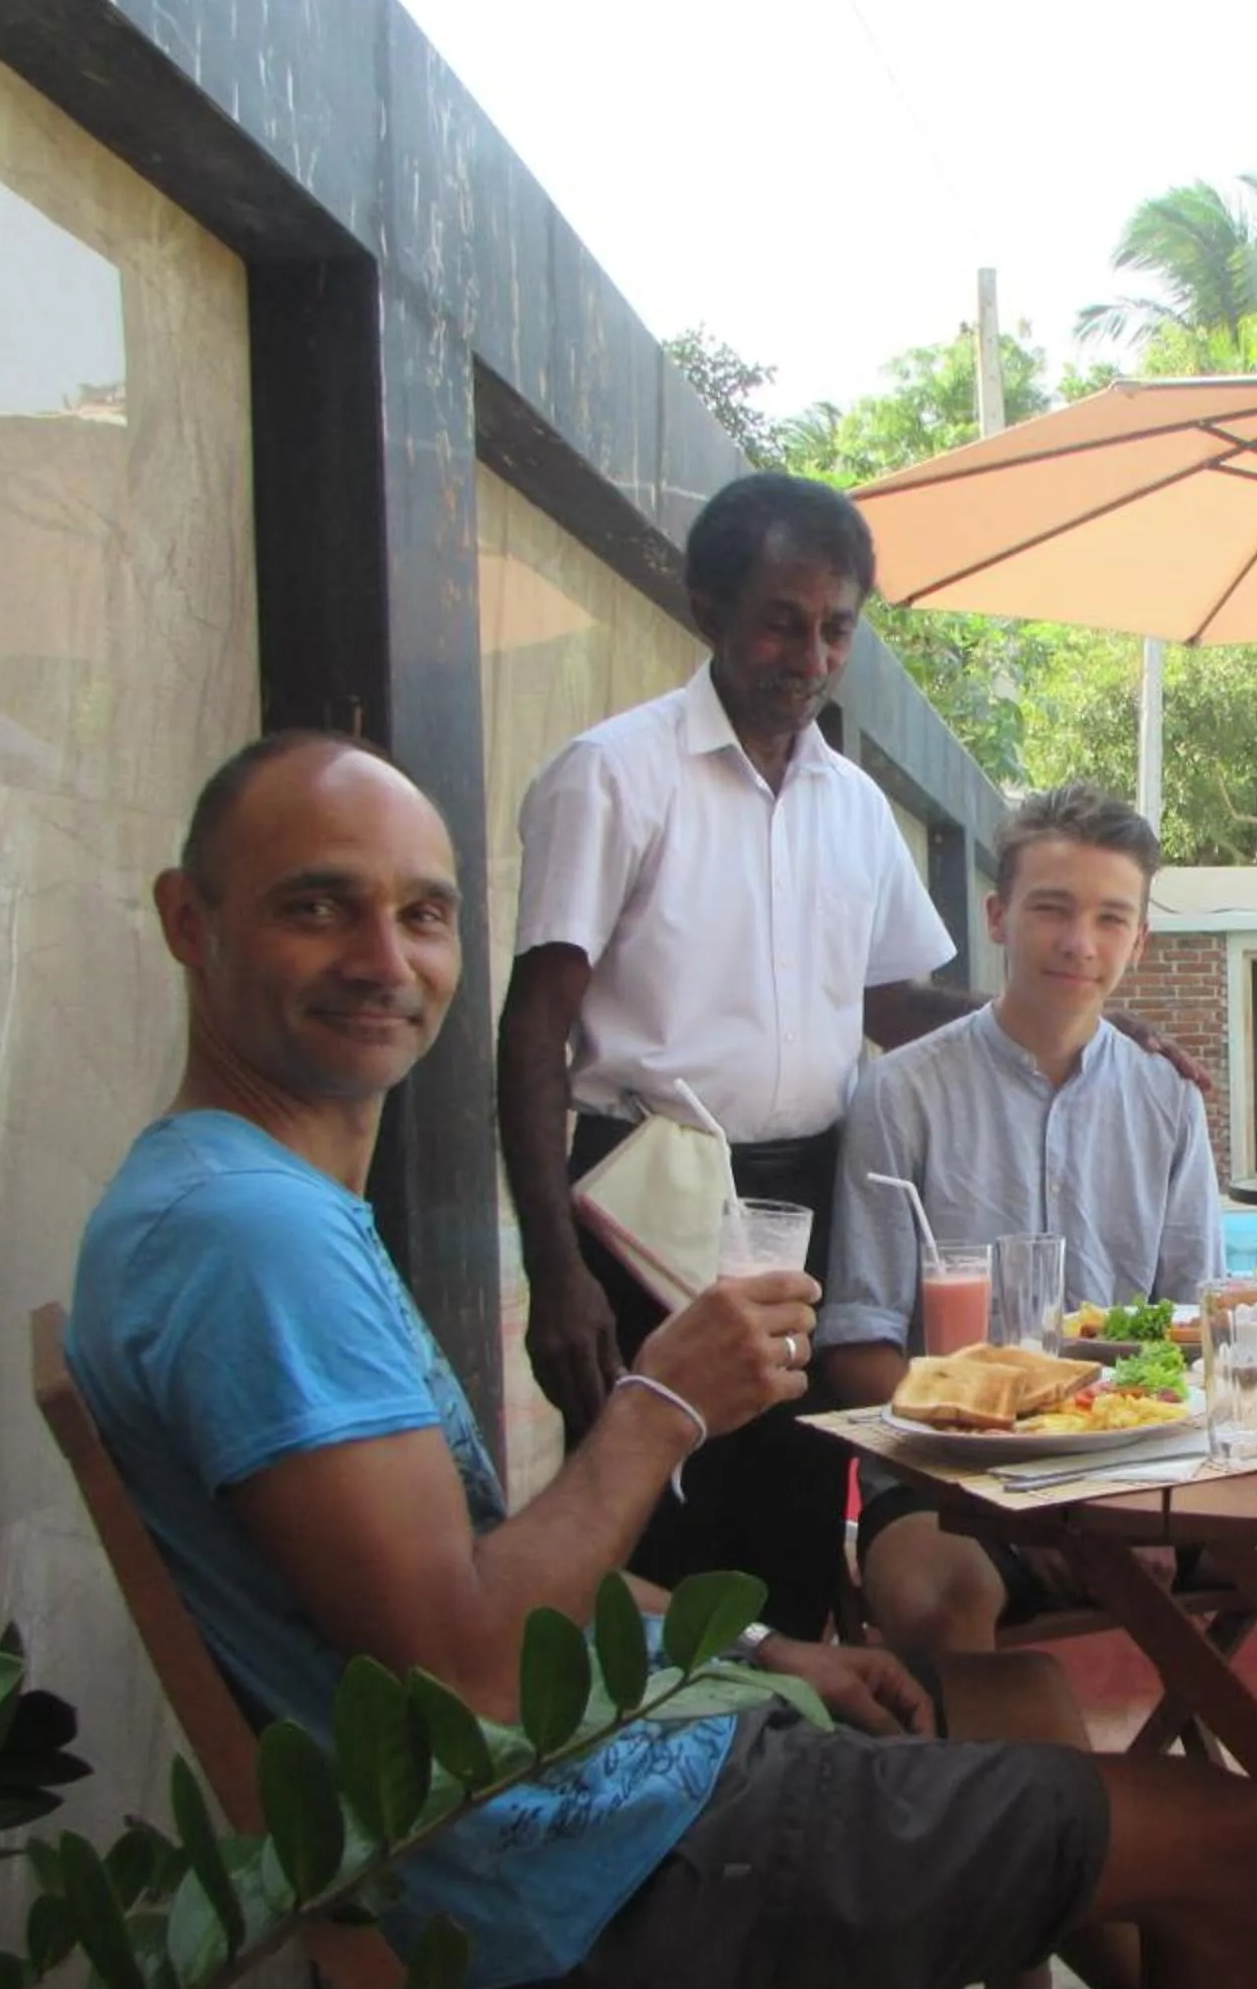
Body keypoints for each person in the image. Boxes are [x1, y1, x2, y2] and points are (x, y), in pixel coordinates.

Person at [74, 731, 1257, 1989]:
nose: (384, 955)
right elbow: (466, 1657)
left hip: (601, 1784)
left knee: (1043, 1735)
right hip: (578, 1869)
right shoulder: (253, 1246)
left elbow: (476, 1579)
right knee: (1216, 1833)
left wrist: (764, 1647)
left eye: (423, 911)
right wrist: (662, 1405)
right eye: (316, 906)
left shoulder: (233, 1206)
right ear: (188, 922)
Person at [819, 780, 1257, 1989]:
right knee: (932, 1594)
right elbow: (859, 1347)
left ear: (1138, 936)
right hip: (967, 1474)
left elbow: (1204, 1317)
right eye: (1051, 907)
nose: (1079, 941)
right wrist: (1005, 1441)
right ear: (995, 915)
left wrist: (1174, 1441)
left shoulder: (1165, 1101)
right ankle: (1020, 1982)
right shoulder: (902, 1097)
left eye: (1111, 916)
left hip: (1154, 1466)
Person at [498, 473, 1202, 1637]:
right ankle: (662, 1804)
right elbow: (534, 1027)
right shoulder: (615, 774)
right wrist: (555, 1271)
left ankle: (795, 1791)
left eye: (837, 628)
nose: (810, 655)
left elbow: (898, 1000)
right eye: (783, 619)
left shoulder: (854, 807)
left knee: (782, 1514)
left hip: (803, 1193)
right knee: (651, 1514)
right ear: (708, 603)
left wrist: (1093, 1020)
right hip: (642, 1197)